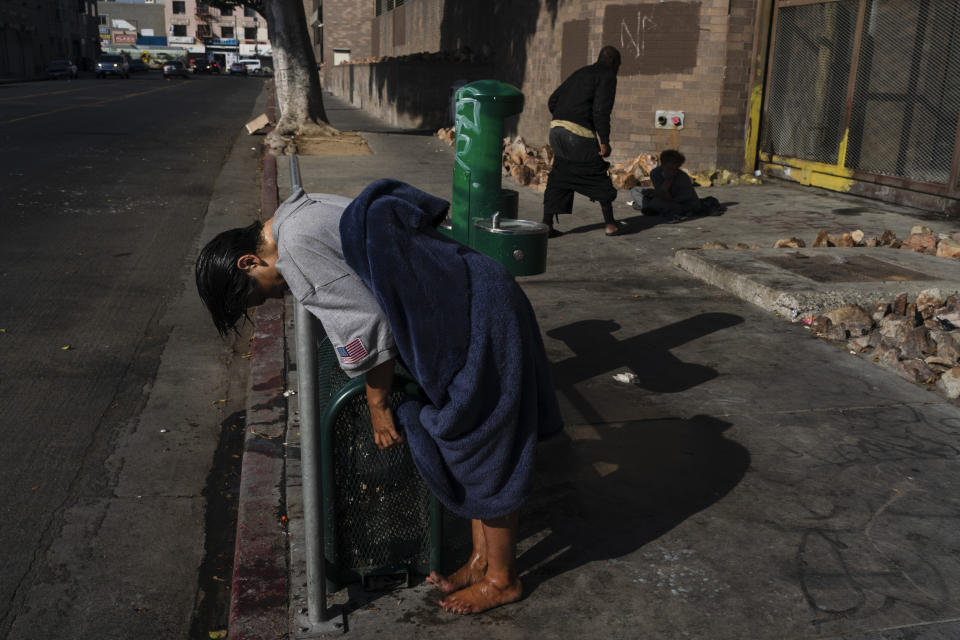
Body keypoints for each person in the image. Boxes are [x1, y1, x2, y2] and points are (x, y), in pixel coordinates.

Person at [195, 180, 563, 615]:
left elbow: (365, 330)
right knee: (470, 440)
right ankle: (482, 560)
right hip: (474, 292)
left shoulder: (295, 251)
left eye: (259, 292)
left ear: (248, 260)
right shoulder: (299, 212)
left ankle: (503, 580)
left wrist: (377, 402)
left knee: (483, 447)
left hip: (468, 316)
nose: (276, 296)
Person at [541, 45, 627, 237]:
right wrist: (604, 141)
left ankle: (546, 226)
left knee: (560, 175)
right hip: (577, 134)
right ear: (613, 63)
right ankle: (611, 225)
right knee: (596, 172)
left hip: (556, 130)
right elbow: (601, 110)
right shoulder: (607, 76)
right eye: (618, 66)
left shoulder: (581, 72)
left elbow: (552, 100)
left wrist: (563, 118)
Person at [631, 149, 703, 222]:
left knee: (658, 202)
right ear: (662, 165)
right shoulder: (655, 173)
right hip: (664, 198)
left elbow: (675, 200)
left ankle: (648, 208)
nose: (673, 172)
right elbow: (660, 192)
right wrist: (654, 192)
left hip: (683, 204)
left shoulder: (683, 178)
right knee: (636, 190)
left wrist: (665, 188)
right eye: (669, 169)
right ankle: (650, 208)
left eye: (675, 169)